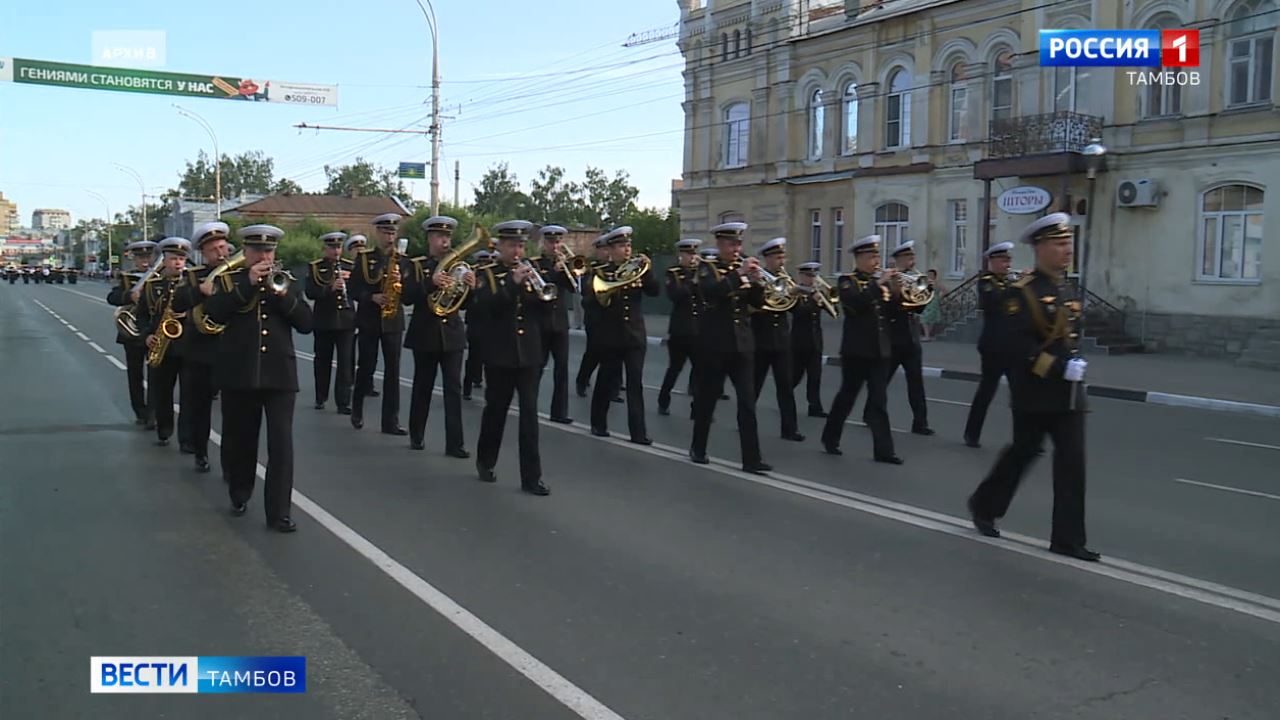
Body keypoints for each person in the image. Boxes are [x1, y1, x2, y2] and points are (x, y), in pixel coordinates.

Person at [967, 213, 1099, 561]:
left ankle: (1068, 539)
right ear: (1039, 248)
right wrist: (1058, 367)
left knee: (1073, 462)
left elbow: (1069, 335)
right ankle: (984, 504)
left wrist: (1074, 364)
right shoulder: (1021, 293)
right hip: (1035, 391)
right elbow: (1016, 346)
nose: (1066, 250)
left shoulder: (1065, 286)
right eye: (1059, 244)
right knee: (1024, 451)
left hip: (1069, 394)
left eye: (1068, 242)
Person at [204, 224, 312, 531]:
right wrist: (249, 285)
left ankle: (279, 512)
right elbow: (214, 312)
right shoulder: (228, 280)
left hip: (280, 374)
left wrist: (281, 295)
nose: (263, 255)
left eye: (268, 250)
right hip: (239, 373)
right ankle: (239, 492)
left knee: (281, 445)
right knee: (241, 440)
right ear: (246, 252)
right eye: (256, 250)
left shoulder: (287, 281)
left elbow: (305, 323)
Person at [473, 220, 550, 496]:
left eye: (520, 245)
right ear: (500, 246)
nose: (517, 251)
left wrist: (544, 296)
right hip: (500, 354)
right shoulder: (487, 273)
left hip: (529, 353)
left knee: (530, 416)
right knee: (496, 412)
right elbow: (485, 308)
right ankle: (486, 460)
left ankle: (532, 477)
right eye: (512, 246)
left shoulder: (533, 271)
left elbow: (544, 312)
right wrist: (514, 285)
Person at [689, 222, 772, 474]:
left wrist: (758, 283)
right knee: (707, 400)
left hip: (743, 345)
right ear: (720, 243)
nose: (737, 249)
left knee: (747, 403)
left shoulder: (742, 269)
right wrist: (739, 276)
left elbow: (758, 303)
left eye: (739, 244)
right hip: (715, 345)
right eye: (731, 244)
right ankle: (698, 447)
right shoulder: (707, 269)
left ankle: (752, 459)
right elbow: (711, 294)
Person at [820, 235, 903, 464]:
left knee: (879, 401)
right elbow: (855, 305)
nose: (876, 261)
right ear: (859, 258)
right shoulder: (847, 281)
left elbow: (895, 311)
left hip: (880, 350)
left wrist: (897, 290)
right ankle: (830, 438)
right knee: (847, 397)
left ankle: (884, 451)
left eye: (877, 256)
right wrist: (879, 285)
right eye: (870, 256)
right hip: (856, 351)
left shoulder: (881, 283)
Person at [403, 215, 474, 456]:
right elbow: (407, 296)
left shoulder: (459, 266)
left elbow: (463, 305)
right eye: (440, 237)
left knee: (453, 390)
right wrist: (430, 283)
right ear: (430, 239)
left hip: (452, 334)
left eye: (448, 237)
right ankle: (417, 434)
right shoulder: (416, 265)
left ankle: (455, 443)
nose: (445, 242)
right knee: (423, 386)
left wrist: (471, 288)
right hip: (426, 333)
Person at [583, 226, 659, 443]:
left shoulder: (637, 269)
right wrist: (608, 293)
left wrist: (649, 271)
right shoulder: (600, 273)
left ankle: (638, 432)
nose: (626, 250)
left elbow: (654, 291)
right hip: (611, 336)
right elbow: (588, 301)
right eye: (621, 246)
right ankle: (598, 422)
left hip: (634, 334)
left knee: (635, 383)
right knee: (607, 379)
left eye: (628, 245)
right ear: (610, 249)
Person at [171, 221, 235, 473]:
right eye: (213, 250)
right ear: (203, 253)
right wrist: (200, 291)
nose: (220, 253)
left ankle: (231, 463)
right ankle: (200, 451)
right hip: (200, 350)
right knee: (199, 406)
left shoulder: (238, 273)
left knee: (233, 411)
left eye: (222, 247)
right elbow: (178, 302)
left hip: (231, 348)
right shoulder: (193, 276)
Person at [347, 213, 412, 435]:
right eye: (385, 232)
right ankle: (356, 408)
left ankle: (390, 421)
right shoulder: (365, 259)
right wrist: (371, 297)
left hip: (393, 322)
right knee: (366, 366)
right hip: (369, 321)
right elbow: (353, 289)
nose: (390, 236)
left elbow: (410, 291)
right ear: (378, 233)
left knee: (393, 373)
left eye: (393, 232)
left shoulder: (404, 260)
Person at [866, 241, 934, 436]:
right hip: (893, 339)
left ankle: (920, 423)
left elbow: (919, 308)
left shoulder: (913, 279)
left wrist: (926, 291)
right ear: (898, 260)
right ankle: (870, 414)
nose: (912, 262)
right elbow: (887, 307)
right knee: (882, 382)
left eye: (913, 258)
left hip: (911, 339)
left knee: (916, 383)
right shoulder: (887, 279)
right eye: (908, 258)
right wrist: (899, 290)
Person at [135, 237, 191, 449]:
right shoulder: (152, 286)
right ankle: (164, 430)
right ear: (164, 260)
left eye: (181, 258)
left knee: (188, 395)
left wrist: (187, 313)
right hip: (160, 344)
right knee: (162, 392)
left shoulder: (190, 283)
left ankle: (186, 439)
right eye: (173, 258)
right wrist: (146, 336)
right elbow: (142, 316)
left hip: (186, 344)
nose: (178, 263)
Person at [963, 242, 1020, 448]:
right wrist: (1018, 287)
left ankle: (1024, 439)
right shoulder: (986, 282)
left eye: (1009, 260)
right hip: (993, 347)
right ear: (992, 261)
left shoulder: (1009, 283)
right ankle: (972, 434)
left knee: (1019, 395)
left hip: (1013, 347)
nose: (1008, 264)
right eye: (1004, 260)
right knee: (986, 391)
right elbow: (995, 302)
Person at [751, 237, 804, 442]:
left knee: (786, 387)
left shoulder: (785, 279)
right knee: (753, 386)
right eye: (777, 257)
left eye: (783, 257)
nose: (782, 261)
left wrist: (796, 295)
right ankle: (745, 421)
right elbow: (757, 306)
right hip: (760, 339)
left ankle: (789, 429)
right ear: (767, 259)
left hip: (781, 340)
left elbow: (796, 311)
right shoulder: (759, 279)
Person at [107, 240, 157, 427]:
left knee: (156, 374)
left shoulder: (160, 276)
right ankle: (140, 411)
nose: (144, 261)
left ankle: (153, 412)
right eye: (140, 257)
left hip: (154, 330)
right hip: (132, 332)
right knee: (135, 374)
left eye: (147, 256)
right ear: (134, 259)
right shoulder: (127, 278)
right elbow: (112, 298)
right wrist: (129, 296)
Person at [305, 232, 356, 414]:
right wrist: (330, 288)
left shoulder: (350, 266)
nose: (336, 251)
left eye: (339, 247)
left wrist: (350, 284)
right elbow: (310, 292)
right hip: (324, 320)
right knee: (322, 360)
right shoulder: (316, 267)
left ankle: (343, 401)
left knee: (345, 362)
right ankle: (321, 396)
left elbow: (359, 291)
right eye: (332, 247)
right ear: (325, 248)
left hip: (346, 321)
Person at [533, 225, 579, 424]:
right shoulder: (535, 263)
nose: (556, 246)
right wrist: (554, 270)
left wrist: (570, 270)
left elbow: (573, 287)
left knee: (562, 369)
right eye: (551, 242)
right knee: (537, 368)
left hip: (560, 323)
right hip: (540, 323)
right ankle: (529, 406)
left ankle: (559, 412)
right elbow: (541, 289)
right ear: (543, 243)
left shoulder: (565, 263)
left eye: (558, 241)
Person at [657, 238, 703, 416]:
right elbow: (676, 295)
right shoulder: (673, 274)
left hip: (699, 329)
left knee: (700, 370)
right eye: (688, 254)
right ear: (680, 255)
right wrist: (693, 282)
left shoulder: (702, 272)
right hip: (680, 330)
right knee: (675, 368)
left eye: (694, 254)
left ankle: (698, 408)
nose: (692, 258)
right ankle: (663, 400)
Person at [574, 237, 611, 398]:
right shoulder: (590, 269)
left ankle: (613, 388)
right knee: (593, 353)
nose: (607, 253)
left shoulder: (616, 268)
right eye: (603, 249)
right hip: (595, 318)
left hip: (612, 318)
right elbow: (585, 294)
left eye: (609, 249)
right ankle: (582, 380)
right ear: (598, 250)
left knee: (612, 354)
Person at [790, 261, 827, 417]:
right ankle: (784, 397)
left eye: (814, 275)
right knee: (794, 377)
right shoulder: (795, 293)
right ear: (801, 276)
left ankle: (815, 407)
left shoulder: (816, 292)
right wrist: (814, 300)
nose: (812, 279)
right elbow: (798, 312)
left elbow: (834, 310)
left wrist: (827, 300)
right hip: (799, 342)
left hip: (815, 341)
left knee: (815, 377)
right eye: (809, 276)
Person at [463, 249, 494, 400]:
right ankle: (467, 386)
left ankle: (485, 384)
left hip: (491, 321)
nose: (486, 264)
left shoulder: (493, 275)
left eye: (488, 261)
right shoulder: (474, 275)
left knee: (490, 358)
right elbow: (468, 301)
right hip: (476, 321)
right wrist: (473, 289)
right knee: (474, 356)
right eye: (484, 261)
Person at [920, 269, 944, 340]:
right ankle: (928, 335)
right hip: (927, 301)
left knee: (927, 319)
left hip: (933, 302)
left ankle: (927, 336)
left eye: (931, 274)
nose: (929, 276)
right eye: (928, 274)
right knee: (927, 319)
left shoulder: (936, 283)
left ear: (934, 276)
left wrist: (939, 297)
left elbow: (945, 290)